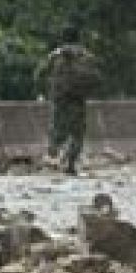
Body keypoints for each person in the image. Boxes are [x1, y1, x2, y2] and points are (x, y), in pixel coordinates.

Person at [37, 26, 101, 175]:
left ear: (63, 37)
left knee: (56, 128)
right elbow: (95, 77)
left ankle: (52, 156)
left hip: (59, 98)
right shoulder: (86, 55)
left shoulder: (55, 55)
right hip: (78, 99)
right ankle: (70, 164)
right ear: (78, 37)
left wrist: (45, 89)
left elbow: (40, 73)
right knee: (78, 132)